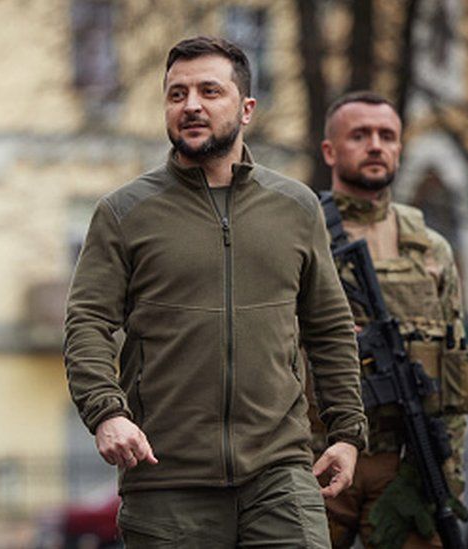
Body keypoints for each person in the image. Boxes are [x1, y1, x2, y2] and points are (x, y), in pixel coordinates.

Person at [63, 36, 368, 547]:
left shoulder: (295, 207)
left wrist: (346, 434)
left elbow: (329, 327)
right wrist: (107, 412)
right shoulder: (124, 213)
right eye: (177, 94)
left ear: (246, 108)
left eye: (209, 91)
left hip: (280, 474)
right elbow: (87, 323)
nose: (192, 106)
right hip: (166, 479)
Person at [316, 91, 468, 548]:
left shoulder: (430, 249)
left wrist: (445, 472)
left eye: (386, 136)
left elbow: (455, 371)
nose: (375, 145)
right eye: (360, 135)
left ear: (399, 149)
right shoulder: (300, 235)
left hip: (404, 465)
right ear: (330, 150)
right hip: (314, 458)